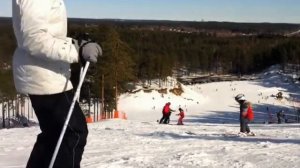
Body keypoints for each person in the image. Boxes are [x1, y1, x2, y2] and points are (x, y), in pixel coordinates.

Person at [12, 1, 102, 168]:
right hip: (44, 78)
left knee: (54, 135)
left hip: (49, 74)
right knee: (71, 133)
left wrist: (76, 44)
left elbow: (48, 34)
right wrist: (77, 52)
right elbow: (33, 39)